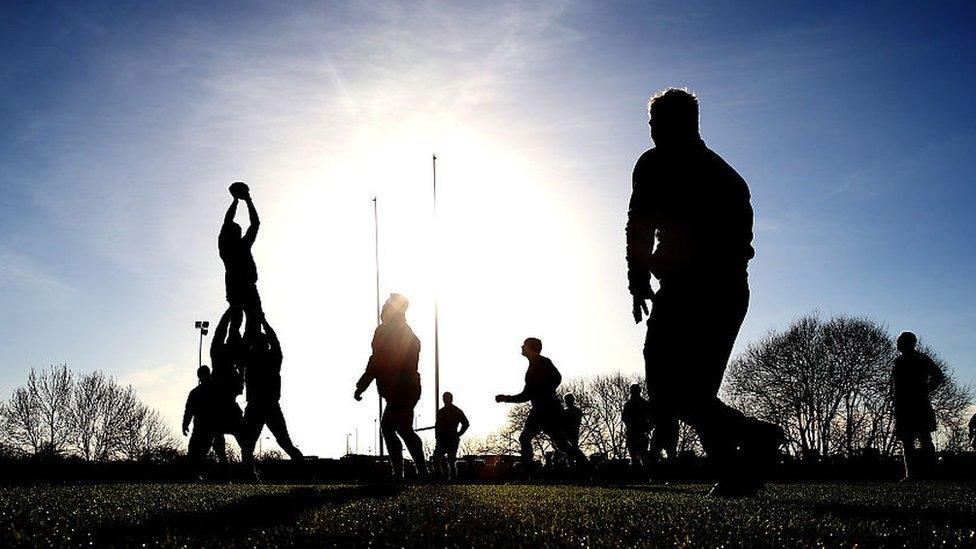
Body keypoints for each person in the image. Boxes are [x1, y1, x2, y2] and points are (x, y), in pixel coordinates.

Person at [626, 88, 782, 497]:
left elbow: (640, 226)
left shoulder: (670, 166)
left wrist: (646, 275)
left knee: (676, 392)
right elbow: (640, 226)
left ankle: (756, 441)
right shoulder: (721, 174)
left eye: (657, 124)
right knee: (686, 393)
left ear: (683, 123)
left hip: (702, 289)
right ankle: (738, 473)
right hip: (715, 289)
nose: (653, 132)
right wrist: (640, 278)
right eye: (652, 125)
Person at [355, 294, 428, 480]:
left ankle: (402, 472)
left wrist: (362, 386)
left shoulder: (388, 332)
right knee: (404, 429)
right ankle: (420, 471)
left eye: (387, 306)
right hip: (406, 389)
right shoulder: (406, 333)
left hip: (402, 390)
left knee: (389, 428)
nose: (383, 309)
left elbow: (377, 362)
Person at [495, 338, 588, 476]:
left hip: (547, 410)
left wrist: (545, 392)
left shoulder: (543, 362)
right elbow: (527, 394)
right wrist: (506, 398)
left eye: (524, 345)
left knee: (542, 440)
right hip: (541, 410)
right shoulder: (533, 365)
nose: (521, 346)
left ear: (531, 347)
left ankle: (529, 474)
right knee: (559, 443)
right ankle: (585, 465)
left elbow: (557, 378)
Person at [240, 317, 304, 477]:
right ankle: (304, 472)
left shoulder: (258, 358)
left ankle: (250, 475)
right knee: (281, 442)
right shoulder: (264, 358)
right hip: (264, 406)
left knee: (249, 444)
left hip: (264, 406)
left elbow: (267, 341)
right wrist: (262, 322)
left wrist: (259, 322)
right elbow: (273, 341)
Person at [892, 331, 944, 480]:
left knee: (923, 439)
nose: (898, 344)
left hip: (917, 404)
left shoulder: (921, 359)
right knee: (909, 441)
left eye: (901, 341)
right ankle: (912, 475)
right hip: (904, 405)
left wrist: (926, 390)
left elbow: (938, 376)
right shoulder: (899, 362)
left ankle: (929, 473)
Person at [219, 182, 262, 336]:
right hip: (238, 286)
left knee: (253, 319)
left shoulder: (241, 245)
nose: (240, 231)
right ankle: (235, 344)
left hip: (248, 285)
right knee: (238, 318)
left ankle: (246, 345)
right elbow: (228, 221)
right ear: (231, 234)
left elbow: (255, 224)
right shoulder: (227, 248)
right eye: (237, 230)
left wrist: (246, 200)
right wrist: (239, 201)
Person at [182, 366, 229, 480]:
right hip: (201, 427)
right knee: (197, 451)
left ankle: (225, 476)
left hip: (215, 426)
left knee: (219, 451)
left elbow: (225, 406)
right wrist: (185, 424)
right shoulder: (196, 392)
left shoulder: (217, 389)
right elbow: (189, 410)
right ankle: (196, 474)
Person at [432, 392, 470, 480]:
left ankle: (451, 479)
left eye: (446, 398)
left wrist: (458, 434)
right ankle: (441, 477)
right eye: (444, 398)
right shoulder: (441, 412)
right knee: (437, 459)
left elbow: (466, 424)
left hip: (451, 439)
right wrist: (437, 438)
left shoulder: (456, 411)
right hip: (443, 440)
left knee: (451, 460)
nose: (445, 399)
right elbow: (437, 427)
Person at [622, 384, 652, 469]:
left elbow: (651, 417)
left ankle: (643, 474)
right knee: (637, 455)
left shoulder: (632, 404)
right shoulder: (641, 403)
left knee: (640, 455)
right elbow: (625, 418)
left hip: (638, 433)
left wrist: (647, 428)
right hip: (635, 433)